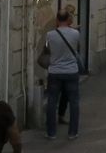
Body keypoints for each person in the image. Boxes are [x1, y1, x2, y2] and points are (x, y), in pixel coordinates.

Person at [43, 9, 84, 141]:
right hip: (71, 71)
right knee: (74, 102)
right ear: (69, 19)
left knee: (51, 102)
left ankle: (51, 133)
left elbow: (48, 50)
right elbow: (76, 46)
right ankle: (73, 132)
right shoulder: (75, 33)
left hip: (54, 71)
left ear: (57, 20)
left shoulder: (50, 35)